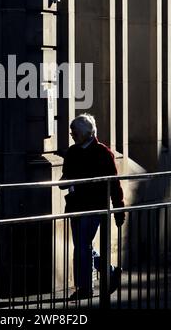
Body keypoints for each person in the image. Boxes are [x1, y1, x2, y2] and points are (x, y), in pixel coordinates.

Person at [59, 113, 125, 300]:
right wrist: (64, 182)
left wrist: (118, 207)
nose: (72, 135)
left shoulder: (103, 152)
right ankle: (110, 271)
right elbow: (66, 176)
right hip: (75, 205)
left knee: (81, 245)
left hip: (94, 205)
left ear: (88, 132)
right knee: (82, 245)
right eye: (72, 132)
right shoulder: (72, 152)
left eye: (75, 132)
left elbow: (114, 182)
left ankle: (85, 287)